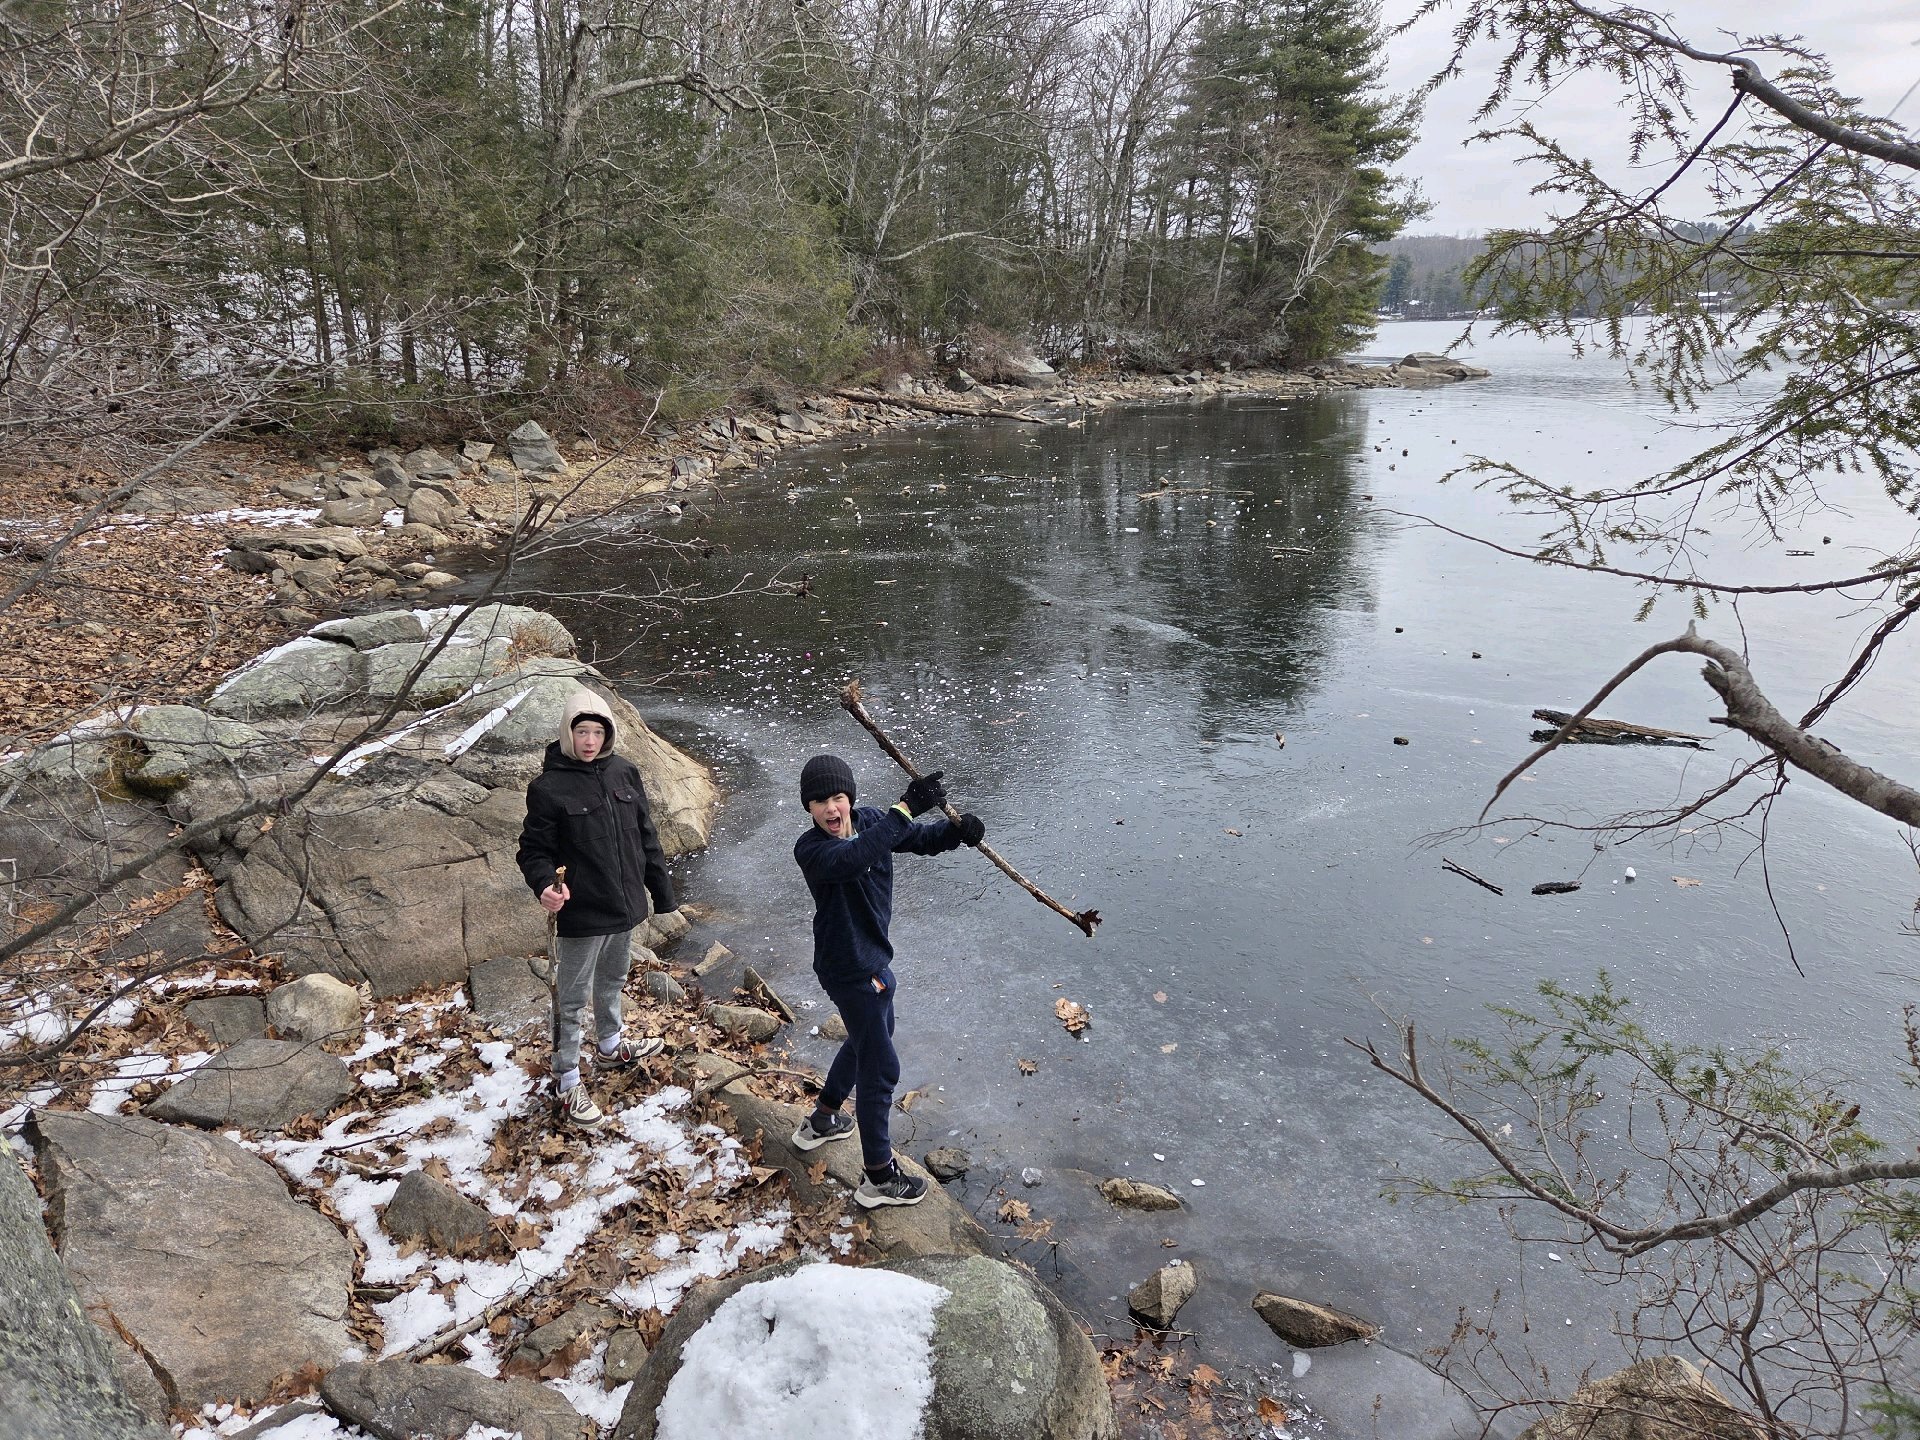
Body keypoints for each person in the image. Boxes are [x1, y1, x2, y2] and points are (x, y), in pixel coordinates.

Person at [789, 753, 986, 1207]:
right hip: (849, 970)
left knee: (868, 1042)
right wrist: (905, 808)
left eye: (838, 797)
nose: (831, 808)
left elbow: (917, 838)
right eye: (819, 802)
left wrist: (957, 832)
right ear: (808, 808)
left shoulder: (874, 821)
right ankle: (878, 1177)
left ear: (850, 797)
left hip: (872, 961)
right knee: (881, 1069)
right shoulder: (811, 850)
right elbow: (855, 858)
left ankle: (822, 1120)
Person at [517, 688, 677, 1131]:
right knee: (570, 999)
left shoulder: (625, 772)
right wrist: (544, 886)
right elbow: (533, 851)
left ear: (609, 734)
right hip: (582, 913)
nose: (590, 741)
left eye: (598, 732)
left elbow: (646, 835)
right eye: (582, 731)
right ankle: (566, 1078)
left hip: (624, 906)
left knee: (613, 979)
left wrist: (661, 893)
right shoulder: (547, 788)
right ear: (567, 733)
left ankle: (609, 1046)